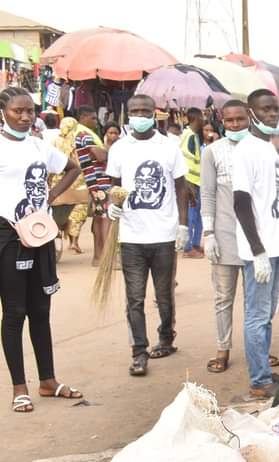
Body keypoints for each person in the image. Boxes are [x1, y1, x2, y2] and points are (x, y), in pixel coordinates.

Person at [0, 86, 84, 412]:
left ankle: (48, 381)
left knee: (41, 310)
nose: (24, 117)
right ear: (2, 114)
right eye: (16, 111)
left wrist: (49, 199)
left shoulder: (39, 145)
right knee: (15, 312)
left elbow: (73, 168)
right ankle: (19, 388)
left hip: (41, 235)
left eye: (29, 112)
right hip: (8, 236)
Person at [106, 94, 189, 376]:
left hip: (164, 233)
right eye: (134, 111)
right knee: (135, 298)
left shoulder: (169, 146)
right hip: (131, 235)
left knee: (164, 295)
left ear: (155, 113)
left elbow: (180, 187)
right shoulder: (119, 149)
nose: (139, 115)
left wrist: (183, 225)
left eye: (145, 110)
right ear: (127, 114)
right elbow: (114, 186)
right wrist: (111, 207)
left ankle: (166, 336)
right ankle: (139, 352)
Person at [232, 89, 279, 398]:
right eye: (265, 109)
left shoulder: (269, 147)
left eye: (275, 110)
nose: (272, 114)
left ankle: (264, 370)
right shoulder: (246, 150)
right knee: (256, 316)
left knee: (267, 313)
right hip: (260, 249)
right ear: (251, 112)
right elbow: (241, 204)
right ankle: (259, 380)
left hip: (275, 245)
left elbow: (275, 201)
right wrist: (257, 251)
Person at [200, 99, 249, 375]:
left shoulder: (260, 149)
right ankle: (223, 348)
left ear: (248, 119)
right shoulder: (213, 152)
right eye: (229, 120)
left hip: (254, 239)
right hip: (224, 235)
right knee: (223, 297)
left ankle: (258, 349)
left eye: (239, 119)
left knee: (255, 301)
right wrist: (209, 233)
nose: (234, 125)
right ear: (222, 120)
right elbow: (206, 193)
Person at [72, 106, 110, 265]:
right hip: (99, 182)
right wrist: (113, 153)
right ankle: (104, 257)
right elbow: (99, 155)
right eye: (93, 118)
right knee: (105, 219)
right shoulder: (83, 134)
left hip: (95, 182)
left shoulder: (83, 133)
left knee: (99, 219)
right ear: (83, 117)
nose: (96, 121)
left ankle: (98, 257)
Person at [49, 117, 90, 256]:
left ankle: (58, 238)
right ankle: (74, 242)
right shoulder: (79, 141)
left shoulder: (54, 142)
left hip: (59, 184)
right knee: (78, 213)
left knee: (57, 214)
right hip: (78, 182)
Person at [179, 107, 205, 258]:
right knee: (191, 214)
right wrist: (188, 183)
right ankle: (188, 248)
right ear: (196, 118)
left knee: (197, 214)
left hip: (197, 180)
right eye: (201, 117)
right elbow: (187, 161)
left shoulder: (194, 136)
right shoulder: (188, 136)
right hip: (191, 182)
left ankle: (195, 244)